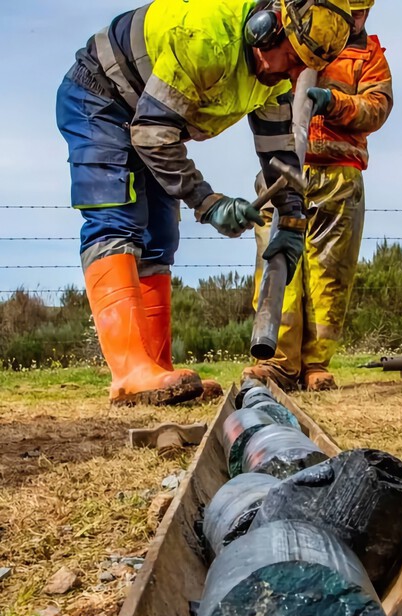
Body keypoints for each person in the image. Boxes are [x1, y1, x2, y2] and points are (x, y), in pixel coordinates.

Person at [56, 0, 352, 405]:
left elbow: (279, 157)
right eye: (293, 59)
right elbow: (150, 134)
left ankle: (157, 372)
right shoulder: (207, 39)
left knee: (160, 236)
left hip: (153, 122)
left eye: (306, 69)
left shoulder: (276, 74)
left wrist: (293, 219)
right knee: (116, 220)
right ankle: (129, 373)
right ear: (266, 29)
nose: (295, 75)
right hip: (100, 97)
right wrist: (209, 202)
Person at [246, 0, 393, 392]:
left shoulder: (370, 56)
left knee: (329, 272)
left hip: (339, 173)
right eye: (352, 10)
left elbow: (377, 109)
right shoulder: (297, 37)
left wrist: (334, 103)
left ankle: (315, 365)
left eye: (362, 11)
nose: (356, 19)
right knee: (277, 259)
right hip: (283, 167)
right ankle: (277, 361)